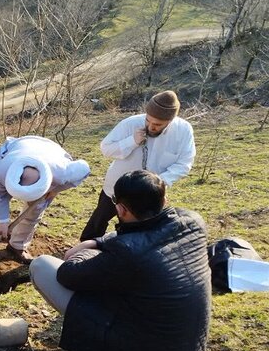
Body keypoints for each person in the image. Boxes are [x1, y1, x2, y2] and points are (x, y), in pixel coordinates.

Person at [30, 170, 211, 351]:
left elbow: (68, 274)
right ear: (164, 199)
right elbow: (139, 234)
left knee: (41, 266)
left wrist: (87, 251)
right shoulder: (193, 221)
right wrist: (98, 241)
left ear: (120, 209)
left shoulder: (127, 253)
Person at [80, 90, 195, 241]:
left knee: (138, 230)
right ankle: (85, 246)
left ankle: (123, 254)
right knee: (99, 219)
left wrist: (157, 182)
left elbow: (184, 163)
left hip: (149, 195)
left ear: (170, 121)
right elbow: (106, 149)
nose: (151, 127)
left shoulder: (183, 130)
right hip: (117, 186)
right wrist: (132, 141)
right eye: (148, 121)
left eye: (157, 124)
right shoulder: (130, 123)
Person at [0, 135, 91, 265]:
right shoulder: (0, 171)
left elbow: (85, 168)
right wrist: (3, 221)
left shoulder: (63, 172)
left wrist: (55, 190)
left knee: (34, 211)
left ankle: (17, 247)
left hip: (51, 153)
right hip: (21, 147)